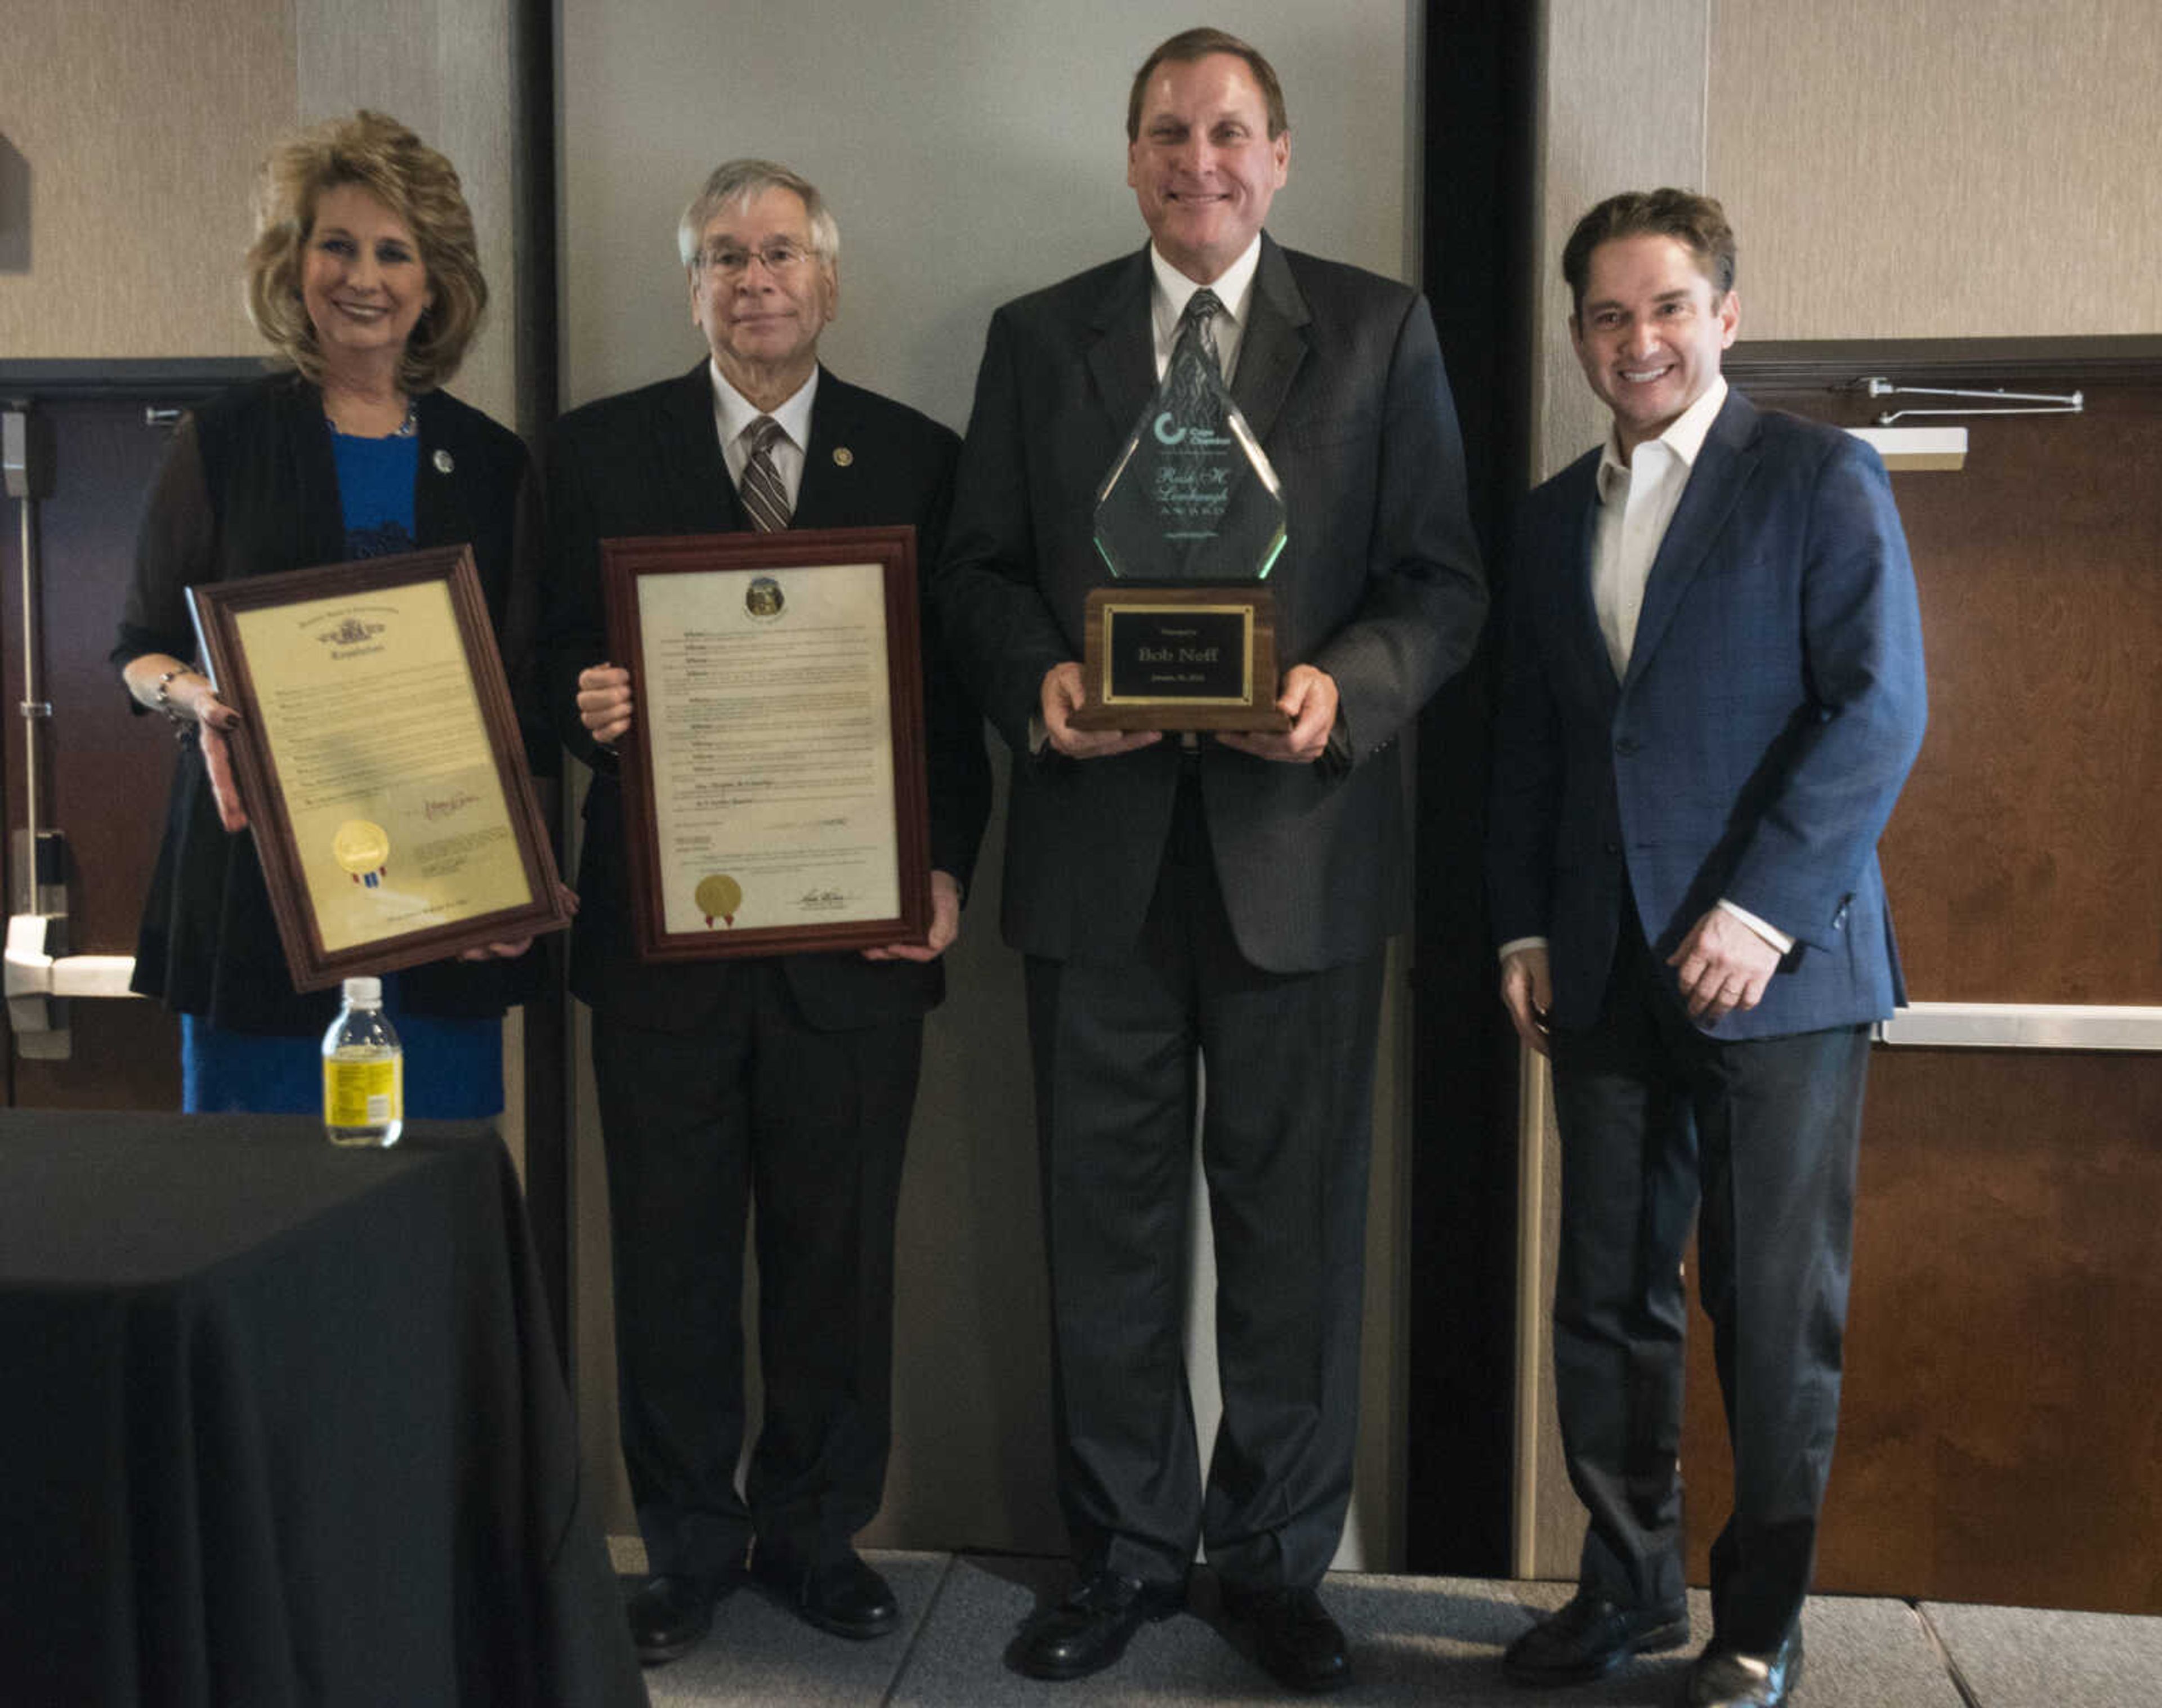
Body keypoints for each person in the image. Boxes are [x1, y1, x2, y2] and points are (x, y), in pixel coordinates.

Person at [933, 28, 1484, 1694]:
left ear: (1283, 153)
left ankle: (1272, 1564)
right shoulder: (1040, 340)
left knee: (1294, 1233)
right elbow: (976, 572)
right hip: (1096, 858)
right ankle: (1119, 1556)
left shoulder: (1381, 331)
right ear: (1129, 155)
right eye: (1169, 133)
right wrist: (1034, 682)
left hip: (1298, 858)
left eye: (1230, 132)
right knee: (1101, 1233)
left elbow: (1442, 585)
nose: (1201, 161)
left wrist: (1342, 693)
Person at [540, 158, 990, 1667]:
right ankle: (683, 1548)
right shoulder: (597, 453)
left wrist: (947, 876)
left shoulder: (918, 459)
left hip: (855, 949)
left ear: (828, 277)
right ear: (694, 286)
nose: (756, 279)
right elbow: (533, 661)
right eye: (725, 256)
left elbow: (959, 708)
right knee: (666, 1262)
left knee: (837, 1257)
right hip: (662, 946)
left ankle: (813, 1535)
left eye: (781, 251)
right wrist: (580, 698)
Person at [1486, 190, 1927, 1708]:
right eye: (1608, 316)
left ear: (1726, 316)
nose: (1638, 339)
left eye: (1667, 307)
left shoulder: (1818, 477)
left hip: (1784, 973)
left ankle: (1759, 1621)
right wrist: (1526, 922)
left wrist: (1760, 912)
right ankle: (1623, 1592)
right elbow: (1536, 738)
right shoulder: (1551, 516)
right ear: (1578, 338)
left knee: (1769, 1299)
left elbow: (1876, 712)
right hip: (1602, 968)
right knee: (1606, 1296)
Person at [114, 110, 547, 1116]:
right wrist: (195, 697)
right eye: (337, 245)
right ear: (294, 263)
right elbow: (137, 649)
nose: (364, 277)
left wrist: (518, 874)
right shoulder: (221, 443)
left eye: (395, 252)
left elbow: (517, 697)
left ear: (434, 282)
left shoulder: (493, 463)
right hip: (259, 897)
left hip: (442, 903)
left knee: (422, 1207)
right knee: (252, 1207)